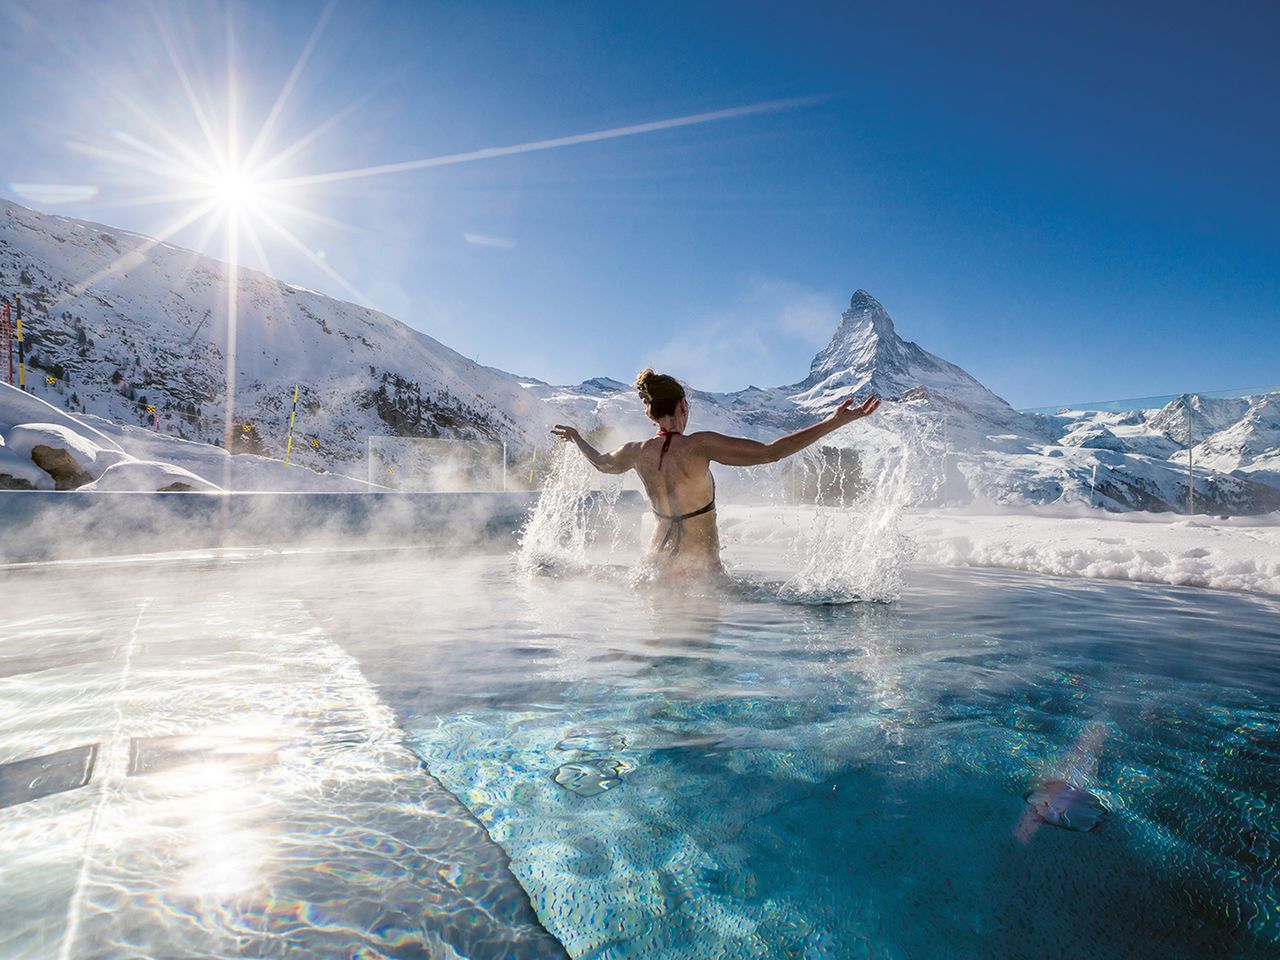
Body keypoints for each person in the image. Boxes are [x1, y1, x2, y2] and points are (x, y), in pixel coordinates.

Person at [551, 368, 880, 576]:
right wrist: (834, 422)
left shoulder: (637, 452)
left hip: (653, 565)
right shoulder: (699, 446)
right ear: (682, 406)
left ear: (651, 414)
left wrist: (577, 438)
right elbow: (771, 453)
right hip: (699, 570)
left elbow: (601, 463)